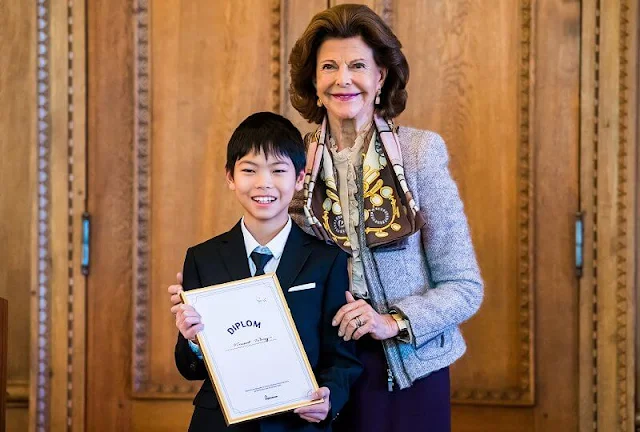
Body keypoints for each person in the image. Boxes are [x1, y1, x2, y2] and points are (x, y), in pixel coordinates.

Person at [171, 4, 484, 431]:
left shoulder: (420, 154)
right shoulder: (291, 162)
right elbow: (270, 261)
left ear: (381, 77)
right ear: (314, 83)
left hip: (408, 370)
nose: (343, 79)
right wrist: (205, 311)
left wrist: (390, 320)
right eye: (329, 67)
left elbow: (465, 287)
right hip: (318, 371)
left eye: (357, 65)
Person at [173, 112, 362, 432]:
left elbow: (342, 359)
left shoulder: (326, 260)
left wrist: (329, 398)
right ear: (230, 177)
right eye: (249, 170)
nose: (264, 183)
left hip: (298, 426)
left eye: (278, 170)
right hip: (219, 423)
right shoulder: (201, 259)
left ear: (300, 178)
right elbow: (189, 366)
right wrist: (192, 341)